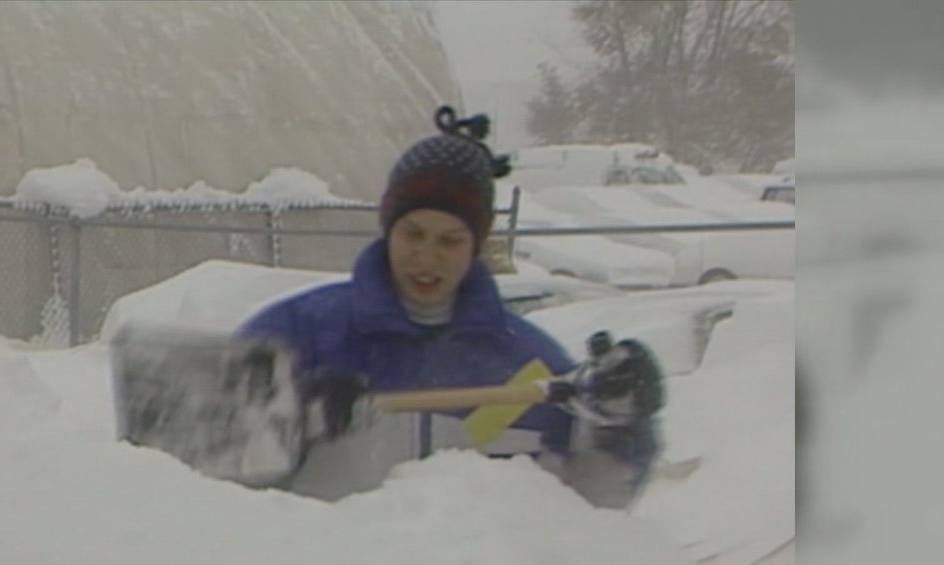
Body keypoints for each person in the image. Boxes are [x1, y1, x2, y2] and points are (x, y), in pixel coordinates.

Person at [237, 106, 664, 509]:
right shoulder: (295, 334)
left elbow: (591, 504)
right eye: (413, 233)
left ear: (476, 244)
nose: (427, 256)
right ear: (389, 230)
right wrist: (292, 421)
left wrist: (619, 427)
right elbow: (202, 485)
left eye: (450, 240)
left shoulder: (530, 366)